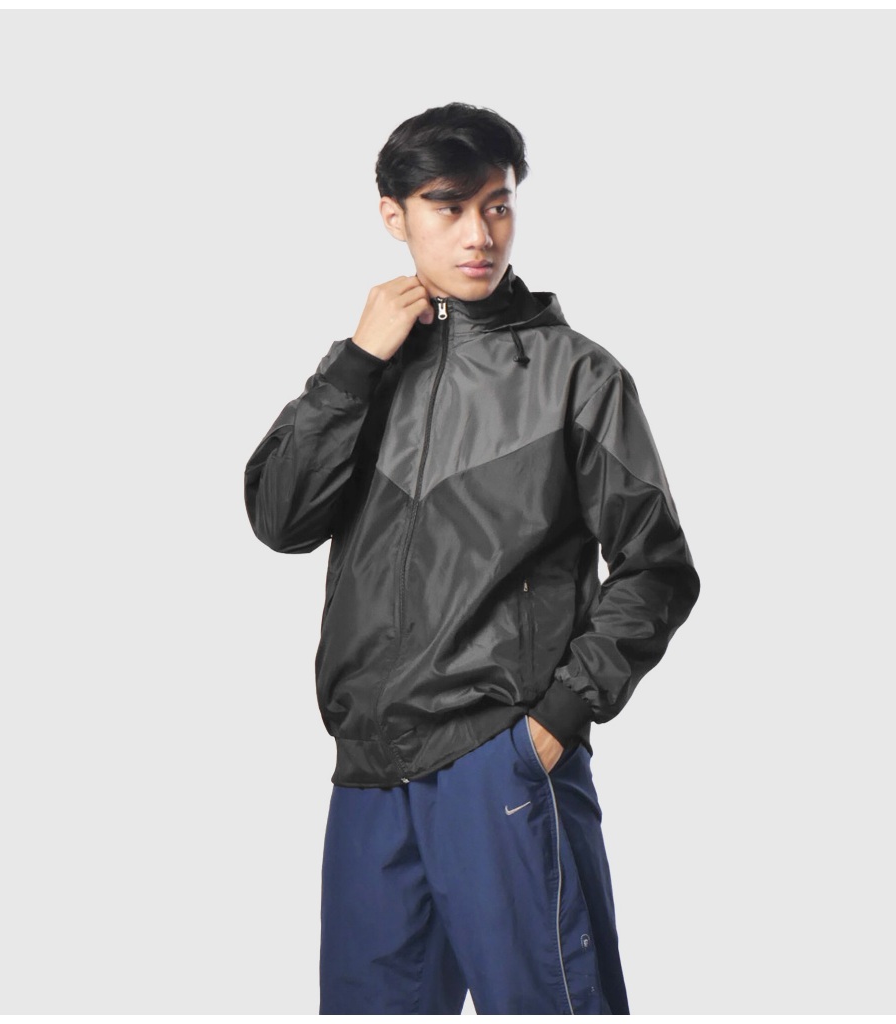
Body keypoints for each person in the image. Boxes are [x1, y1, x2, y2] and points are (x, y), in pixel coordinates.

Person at [243, 102, 700, 1015]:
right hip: (369, 770)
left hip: (501, 759)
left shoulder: (576, 376)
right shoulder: (364, 370)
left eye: (497, 206)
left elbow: (657, 566)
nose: (479, 234)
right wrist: (355, 364)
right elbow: (280, 518)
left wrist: (559, 716)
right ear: (394, 214)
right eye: (449, 208)